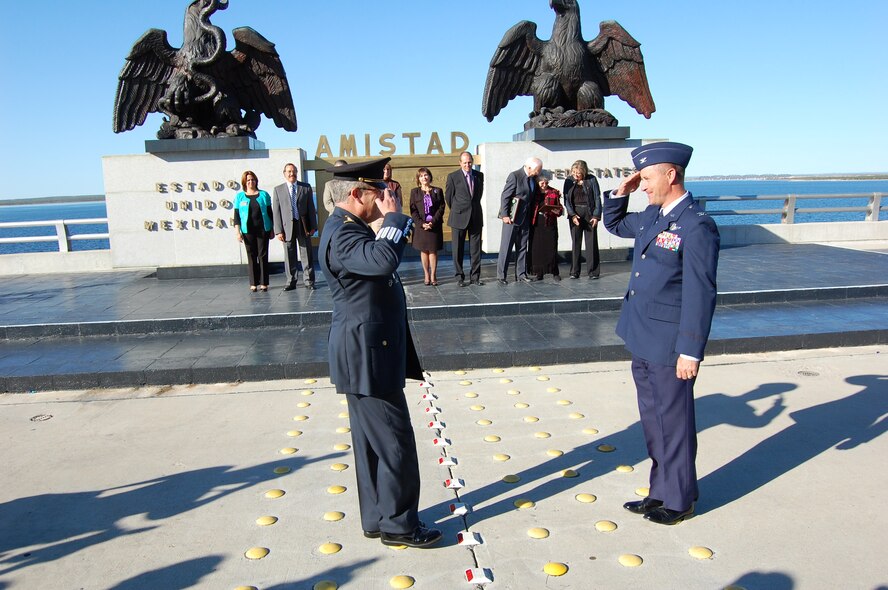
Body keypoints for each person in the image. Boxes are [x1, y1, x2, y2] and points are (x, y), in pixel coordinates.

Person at [319, 156, 442, 549]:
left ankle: (378, 517)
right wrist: (393, 219)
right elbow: (382, 260)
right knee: (394, 443)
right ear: (357, 193)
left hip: (365, 352)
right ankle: (400, 525)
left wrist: (388, 221)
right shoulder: (343, 233)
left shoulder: (348, 227)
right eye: (378, 191)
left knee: (372, 444)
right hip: (367, 355)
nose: (385, 196)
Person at [603, 142, 720, 526]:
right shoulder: (654, 215)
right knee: (653, 420)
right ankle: (660, 491)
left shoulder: (697, 225)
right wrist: (623, 190)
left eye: (648, 177)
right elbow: (615, 224)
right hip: (641, 335)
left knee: (674, 422)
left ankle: (680, 498)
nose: (644, 184)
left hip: (670, 343)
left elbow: (700, 293)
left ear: (671, 175)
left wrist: (691, 350)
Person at [496, 157, 543, 284]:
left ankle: (521, 274)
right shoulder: (515, 176)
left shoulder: (533, 179)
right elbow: (505, 196)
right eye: (537, 170)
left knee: (522, 247)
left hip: (525, 218)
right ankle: (501, 276)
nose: (539, 172)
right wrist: (505, 215)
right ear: (528, 167)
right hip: (512, 218)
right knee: (506, 247)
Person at [273, 163, 318, 290]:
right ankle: (291, 281)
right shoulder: (278, 190)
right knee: (289, 254)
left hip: (303, 225)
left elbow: (311, 208)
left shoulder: (306, 188)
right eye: (289, 171)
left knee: (306, 254)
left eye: (293, 171)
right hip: (287, 227)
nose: (291, 173)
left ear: (297, 172)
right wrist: (278, 231)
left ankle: (309, 281)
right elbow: (276, 211)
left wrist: (313, 226)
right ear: (284, 173)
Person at [445, 151, 485, 286]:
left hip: (475, 217)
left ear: (472, 162)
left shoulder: (479, 176)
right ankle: (459, 277)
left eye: (469, 162)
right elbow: (449, 198)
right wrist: (458, 209)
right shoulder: (453, 177)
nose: (467, 165)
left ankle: (475, 277)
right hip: (458, 217)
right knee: (458, 250)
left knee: (476, 250)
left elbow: (478, 196)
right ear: (460, 163)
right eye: (465, 162)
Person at [233, 170, 273, 292]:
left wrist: (272, 229)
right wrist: (237, 232)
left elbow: (270, 213)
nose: (251, 182)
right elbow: (236, 216)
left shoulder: (263, 195)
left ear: (256, 181)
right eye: (248, 180)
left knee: (263, 255)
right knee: (251, 256)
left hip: (263, 229)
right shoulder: (240, 197)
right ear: (245, 182)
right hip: (247, 230)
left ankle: (264, 282)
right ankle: (253, 283)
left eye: (253, 179)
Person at [563, 159, 603, 279]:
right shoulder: (569, 180)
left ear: (584, 172)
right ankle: (574, 271)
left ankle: (593, 272)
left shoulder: (591, 179)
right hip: (575, 213)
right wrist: (572, 215)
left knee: (591, 243)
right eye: (574, 172)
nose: (576, 175)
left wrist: (596, 215)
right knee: (576, 242)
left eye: (578, 173)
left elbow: (597, 198)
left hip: (589, 213)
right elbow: (566, 200)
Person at [409, 167, 445, 286]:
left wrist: (432, 222)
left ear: (430, 177)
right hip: (421, 227)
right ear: (418, 179)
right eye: (421, 176)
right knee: (424, 251)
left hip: (434, 226)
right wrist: (421, 223)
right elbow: (413, 210)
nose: (424, 178)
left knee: (433, 251)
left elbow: (441, 208)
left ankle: (434, 274)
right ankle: (426, 274)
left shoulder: (438, 191)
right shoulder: (415, 192)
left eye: (426, 175)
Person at [530, 174, 564, 281]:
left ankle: (554, 272)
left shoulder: (553, 192)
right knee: (537, 249)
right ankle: (539, 273)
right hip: (536, 223)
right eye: (542, 183)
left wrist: (557, 210)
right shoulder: (533, 192)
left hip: (549, 222)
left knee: (551, 247)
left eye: (546, 183)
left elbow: (560, 208)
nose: (544, 185)